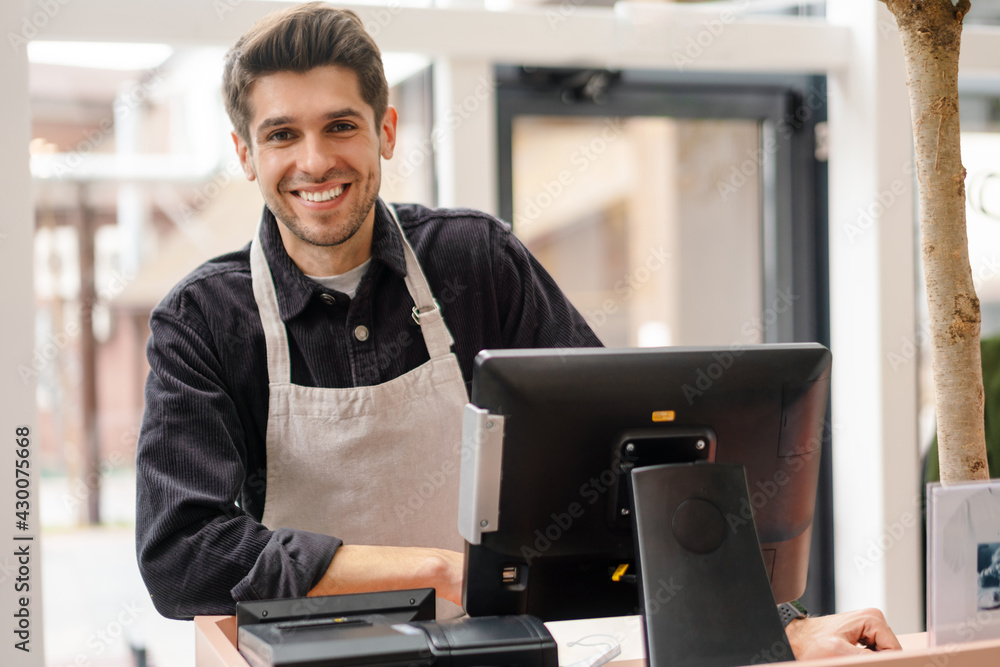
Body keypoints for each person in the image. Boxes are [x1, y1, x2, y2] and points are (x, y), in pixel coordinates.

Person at [135, 2, 901, 658]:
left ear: (386, 131)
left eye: (341, 125)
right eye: (280, 135)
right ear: (243, 153)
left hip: (492, 657)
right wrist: (433, 570)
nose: (315, 160)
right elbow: (183, 555)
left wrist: (777, 628)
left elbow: (633, 465)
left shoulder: (476, 262)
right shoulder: (204, 320)